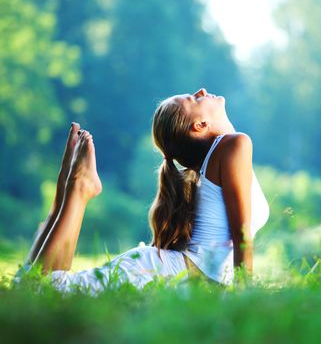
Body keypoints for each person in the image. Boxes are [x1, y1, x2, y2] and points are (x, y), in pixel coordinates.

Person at [15, 88, 269, 293]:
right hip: (165, 271)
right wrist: (243, 291)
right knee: (38, 290)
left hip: (166, 270)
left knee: (28, 288)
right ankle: (78, 188)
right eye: (194, 98)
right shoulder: (234, 144)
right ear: (200, 125)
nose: (202, 91)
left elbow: (239, 231)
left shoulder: (222, 155)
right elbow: (241, 232)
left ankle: (65, 193)